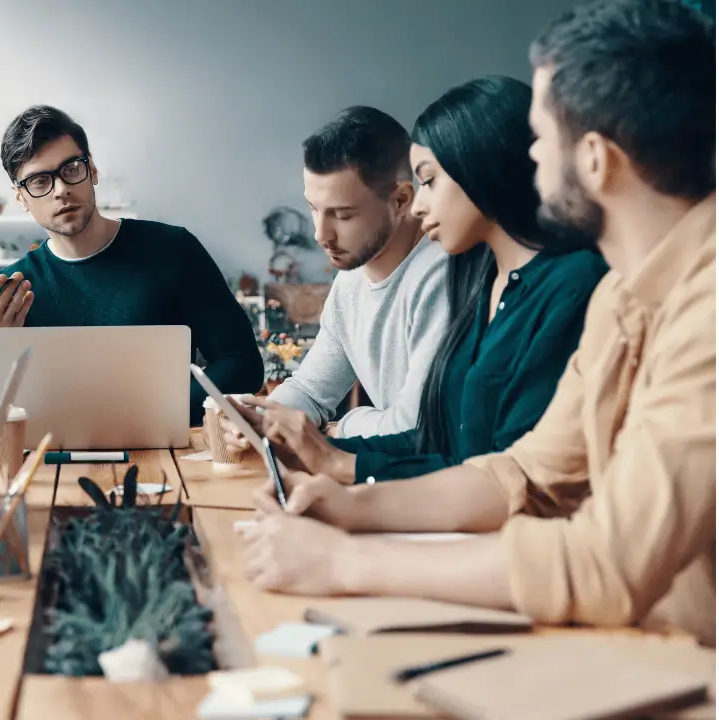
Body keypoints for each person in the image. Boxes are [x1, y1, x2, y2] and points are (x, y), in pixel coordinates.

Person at [240, 0, 715, 645]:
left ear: (596, 160)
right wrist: (355, 507)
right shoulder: (623, 296)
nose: (531, 159)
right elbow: (523, 474)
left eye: (543, 139)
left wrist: (347, 561)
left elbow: (609, 564)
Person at [233, 77, 608, 484]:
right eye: (313, 209)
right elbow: (458, 451)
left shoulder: (469, 274)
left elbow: (452, 447)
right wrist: (273, 422)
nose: (321, 234)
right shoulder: (478, 280)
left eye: (428, 181)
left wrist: (337, 442)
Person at [0, 105, 262, 425]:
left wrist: (158, 413)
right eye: (39, 181)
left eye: (71, 169)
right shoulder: (13, 287)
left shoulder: (173, 250)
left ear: (93, 170)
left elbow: (242, 364)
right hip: (52, 463)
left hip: (166, 454)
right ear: (21, 198)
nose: (61, 190)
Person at [260, 106, 452, 438]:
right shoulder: (351, 277)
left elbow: (416, 426)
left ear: (401, 200)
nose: (321, 234)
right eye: (314, 208)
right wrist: (261, 416)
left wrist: (341, 428)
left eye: (343, 215)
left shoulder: (440, 277)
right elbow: (311, 389)